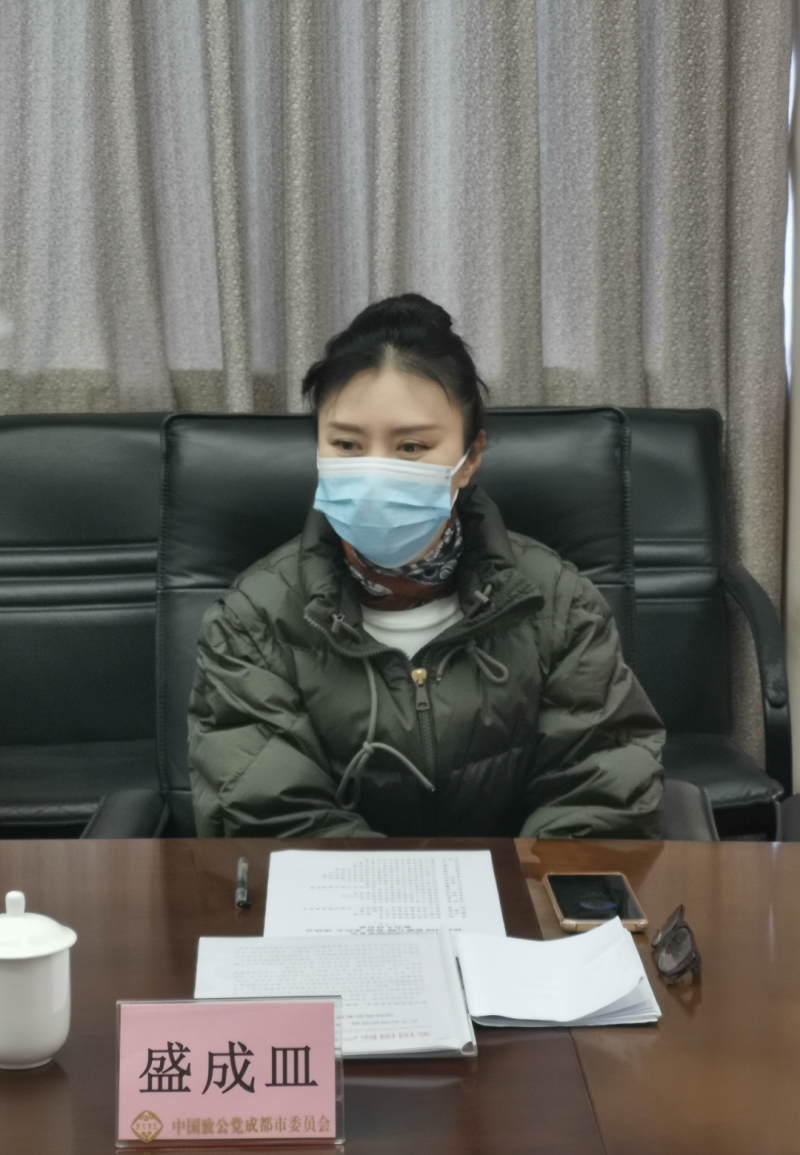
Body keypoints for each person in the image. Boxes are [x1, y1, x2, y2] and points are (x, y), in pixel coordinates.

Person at [188, 293, 665, 838]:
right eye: (346, 444)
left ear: (470, 458)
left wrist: (512, 886)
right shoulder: (251, 621)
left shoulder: (557, 601)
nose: (374, 473)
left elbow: (601, 790)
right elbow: (270, 816)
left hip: (516, 890)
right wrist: (401, 892)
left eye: (411, 447)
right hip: (337, 893)